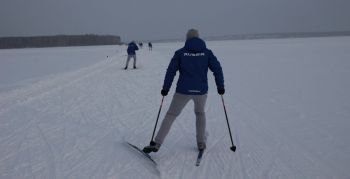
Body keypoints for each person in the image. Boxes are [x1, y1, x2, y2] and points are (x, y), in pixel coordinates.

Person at [143, 29, 225, 153]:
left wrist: (165, 88)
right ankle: (201, 142)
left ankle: (157, 143)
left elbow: (171, 71)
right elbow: (217, 69)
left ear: (187, 39)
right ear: (198, 38)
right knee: (200, 113)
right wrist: (220, 86)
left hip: (183, 91)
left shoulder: (180, 53)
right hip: (201, 91)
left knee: (171, 115)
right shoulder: (207, 53)